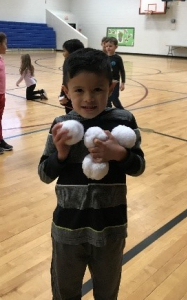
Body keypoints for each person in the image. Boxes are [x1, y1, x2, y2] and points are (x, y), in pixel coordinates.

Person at [38, 48, 145, 299]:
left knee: (107, 293)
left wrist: (119, 154)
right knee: (65, 292)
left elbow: (139, 166)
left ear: (111, 87)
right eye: (79, 90)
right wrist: (61, 154)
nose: (88, 98)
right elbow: (44, 173)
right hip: (67, 229)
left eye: (97, 89)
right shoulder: (61, 126)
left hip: (111, 228)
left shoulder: (124, 121)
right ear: (66, 91)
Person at [58, 39, 84, 114]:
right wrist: (62, 95)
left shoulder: (83, 65)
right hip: (69, 98)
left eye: (64, 51)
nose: (63, 54)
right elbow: (65, 81)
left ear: (72, 52)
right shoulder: (66, 63)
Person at [105, 36, 126, 109]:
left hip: (115, 82)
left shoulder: (117, 58)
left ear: (116, 47)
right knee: (107, 100)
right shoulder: (104, 57)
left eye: (110, 46)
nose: (108, 48)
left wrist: (123, 83)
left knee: (114, 99)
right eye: (106, 46)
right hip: (106, 82)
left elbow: (122, 70)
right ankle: (109, 113)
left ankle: (123, 111)